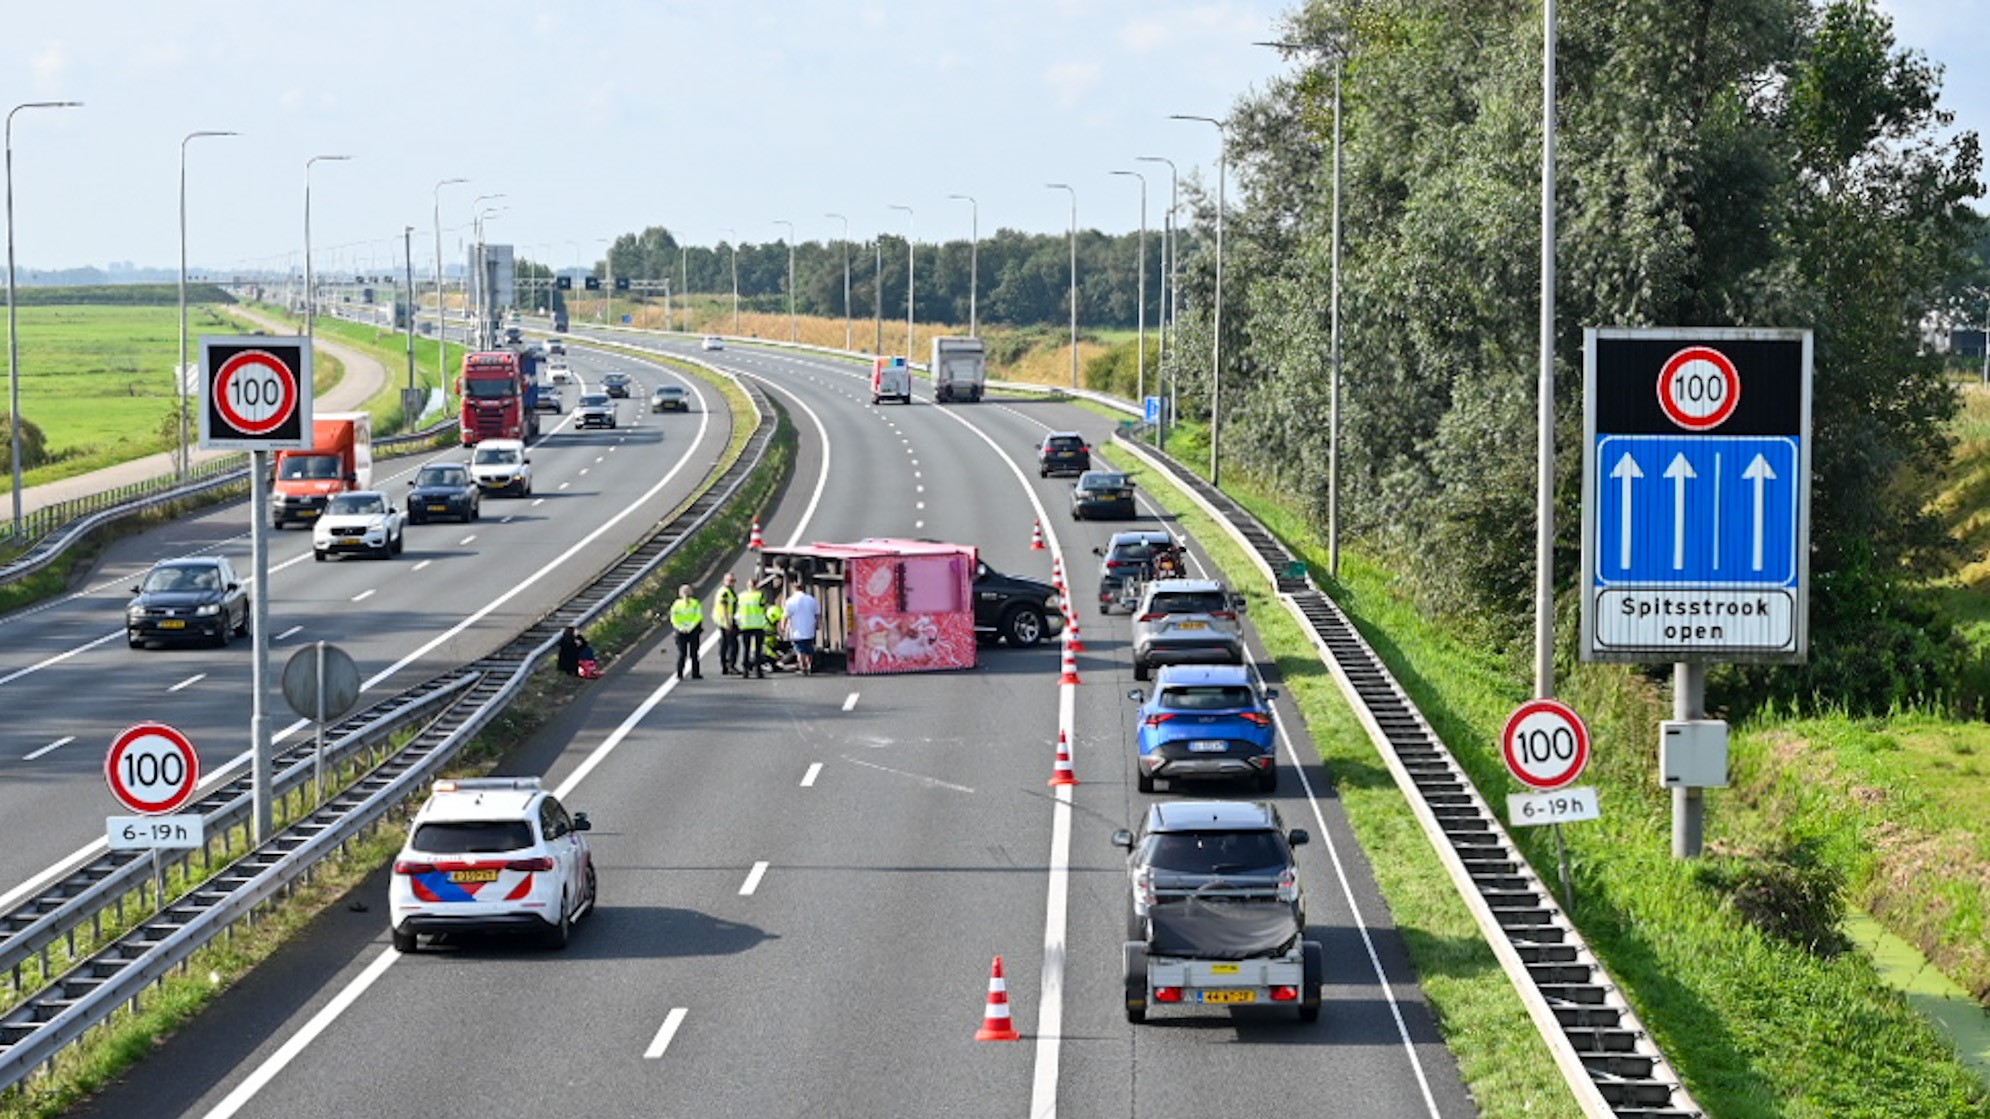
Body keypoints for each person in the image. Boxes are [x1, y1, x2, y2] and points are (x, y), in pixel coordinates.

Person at [782, 580, 822, 676]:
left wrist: (783, 626)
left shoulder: (790, 601)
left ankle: (802, 667)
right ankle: (809, 666)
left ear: (794, 589)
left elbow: (785, 615)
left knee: (800, 650)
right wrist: (818, 625)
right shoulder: (811, 599)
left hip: (797, 630)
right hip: (809, 629)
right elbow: (817, 614)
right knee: (809, 649)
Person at [668, 584, 704, 680]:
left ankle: (679, 674)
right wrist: (690, 626)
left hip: (681, 631)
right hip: (693, 630)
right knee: (694, 653)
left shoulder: (676, 604)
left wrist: (680, 627)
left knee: (682, 653)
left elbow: (673, 618)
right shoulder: (695, 603)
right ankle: (695, 673)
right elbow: (698, 616)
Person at [736, 578, 769, 679]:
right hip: (758, 624)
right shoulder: (760, 595)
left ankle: (745, 671)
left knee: (746, 649)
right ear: (757, 585)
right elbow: (764, 607)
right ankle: (758, 670)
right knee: (758, 650)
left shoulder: (741, 596)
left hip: (745, 624)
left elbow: (738, 608)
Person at [713, 572, 740, 675]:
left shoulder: (728, 591)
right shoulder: (725, 592)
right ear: (725, 581)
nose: (732, 583)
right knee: (732, 645)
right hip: (725, 621)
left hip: (725, 620)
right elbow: (724, 607)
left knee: (725, 644)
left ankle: (725, 666)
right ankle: (729, 666)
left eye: (733, 581)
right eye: (730, 581)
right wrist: (728, 623)